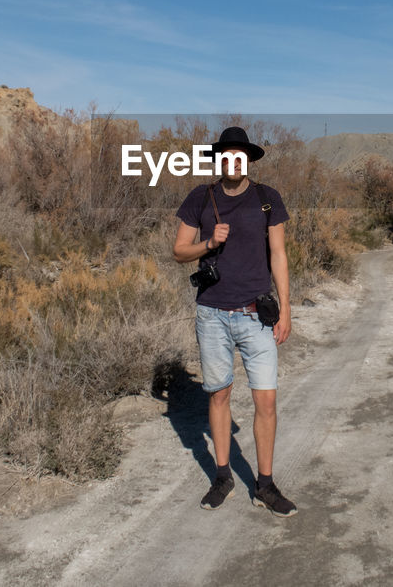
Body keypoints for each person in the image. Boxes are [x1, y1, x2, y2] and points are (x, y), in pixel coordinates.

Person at [172, 126, 297, 517]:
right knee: (219, 394)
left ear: (249, 160)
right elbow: (178, 251)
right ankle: (223, 476)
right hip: (212, 315)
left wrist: (287, 309)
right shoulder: (200, 198)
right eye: (226, 155)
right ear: (219, 160)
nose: (233, 161)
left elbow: (278, 255)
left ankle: (265, 484)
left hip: (257, 315)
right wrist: (208, 244)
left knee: (267, 400)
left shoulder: (266, 199)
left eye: (239, 155)